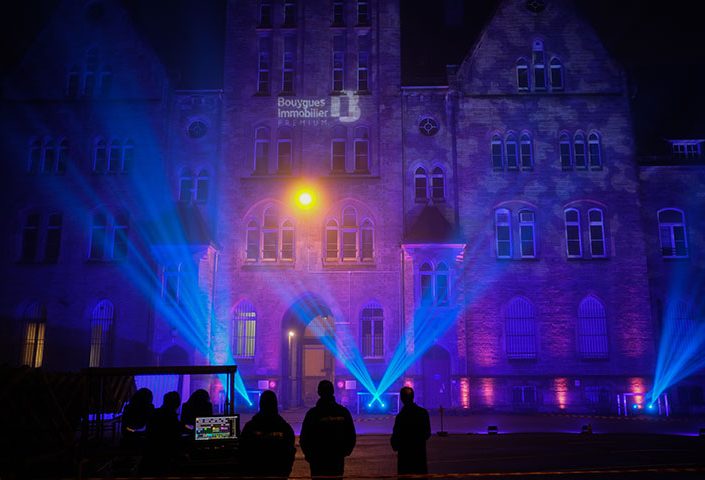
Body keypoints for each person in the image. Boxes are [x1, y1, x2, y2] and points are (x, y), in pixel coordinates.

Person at [300, 380, 356, 479]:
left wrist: (310, 456)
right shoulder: (343, 412)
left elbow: (304, 438)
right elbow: (351, 435)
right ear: (333, 391)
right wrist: (344, 452)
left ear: (318, 392)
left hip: (318, 461)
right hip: (337, 460)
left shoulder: (313, 414)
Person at [239, 390, 296, 478]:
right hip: (278, 474)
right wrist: (286, 471)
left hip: (255, 473)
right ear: (275, 405)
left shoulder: (250, 427)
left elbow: (243, 450)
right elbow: (290, 451)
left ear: (260, 404)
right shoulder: (285, 428)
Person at [390, 386, 431, 476]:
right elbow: (427, 434)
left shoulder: (401, 417)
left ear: (401, 399)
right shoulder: (423, 413)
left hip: (405, 458)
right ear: (413, 397)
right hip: (420, 456)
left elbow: (395, 439)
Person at [142, 391, 183, 474]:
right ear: (177, 404)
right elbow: (175, 440)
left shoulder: (155, 413)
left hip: (150, 456)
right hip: (166, 458)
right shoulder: (172, 419)